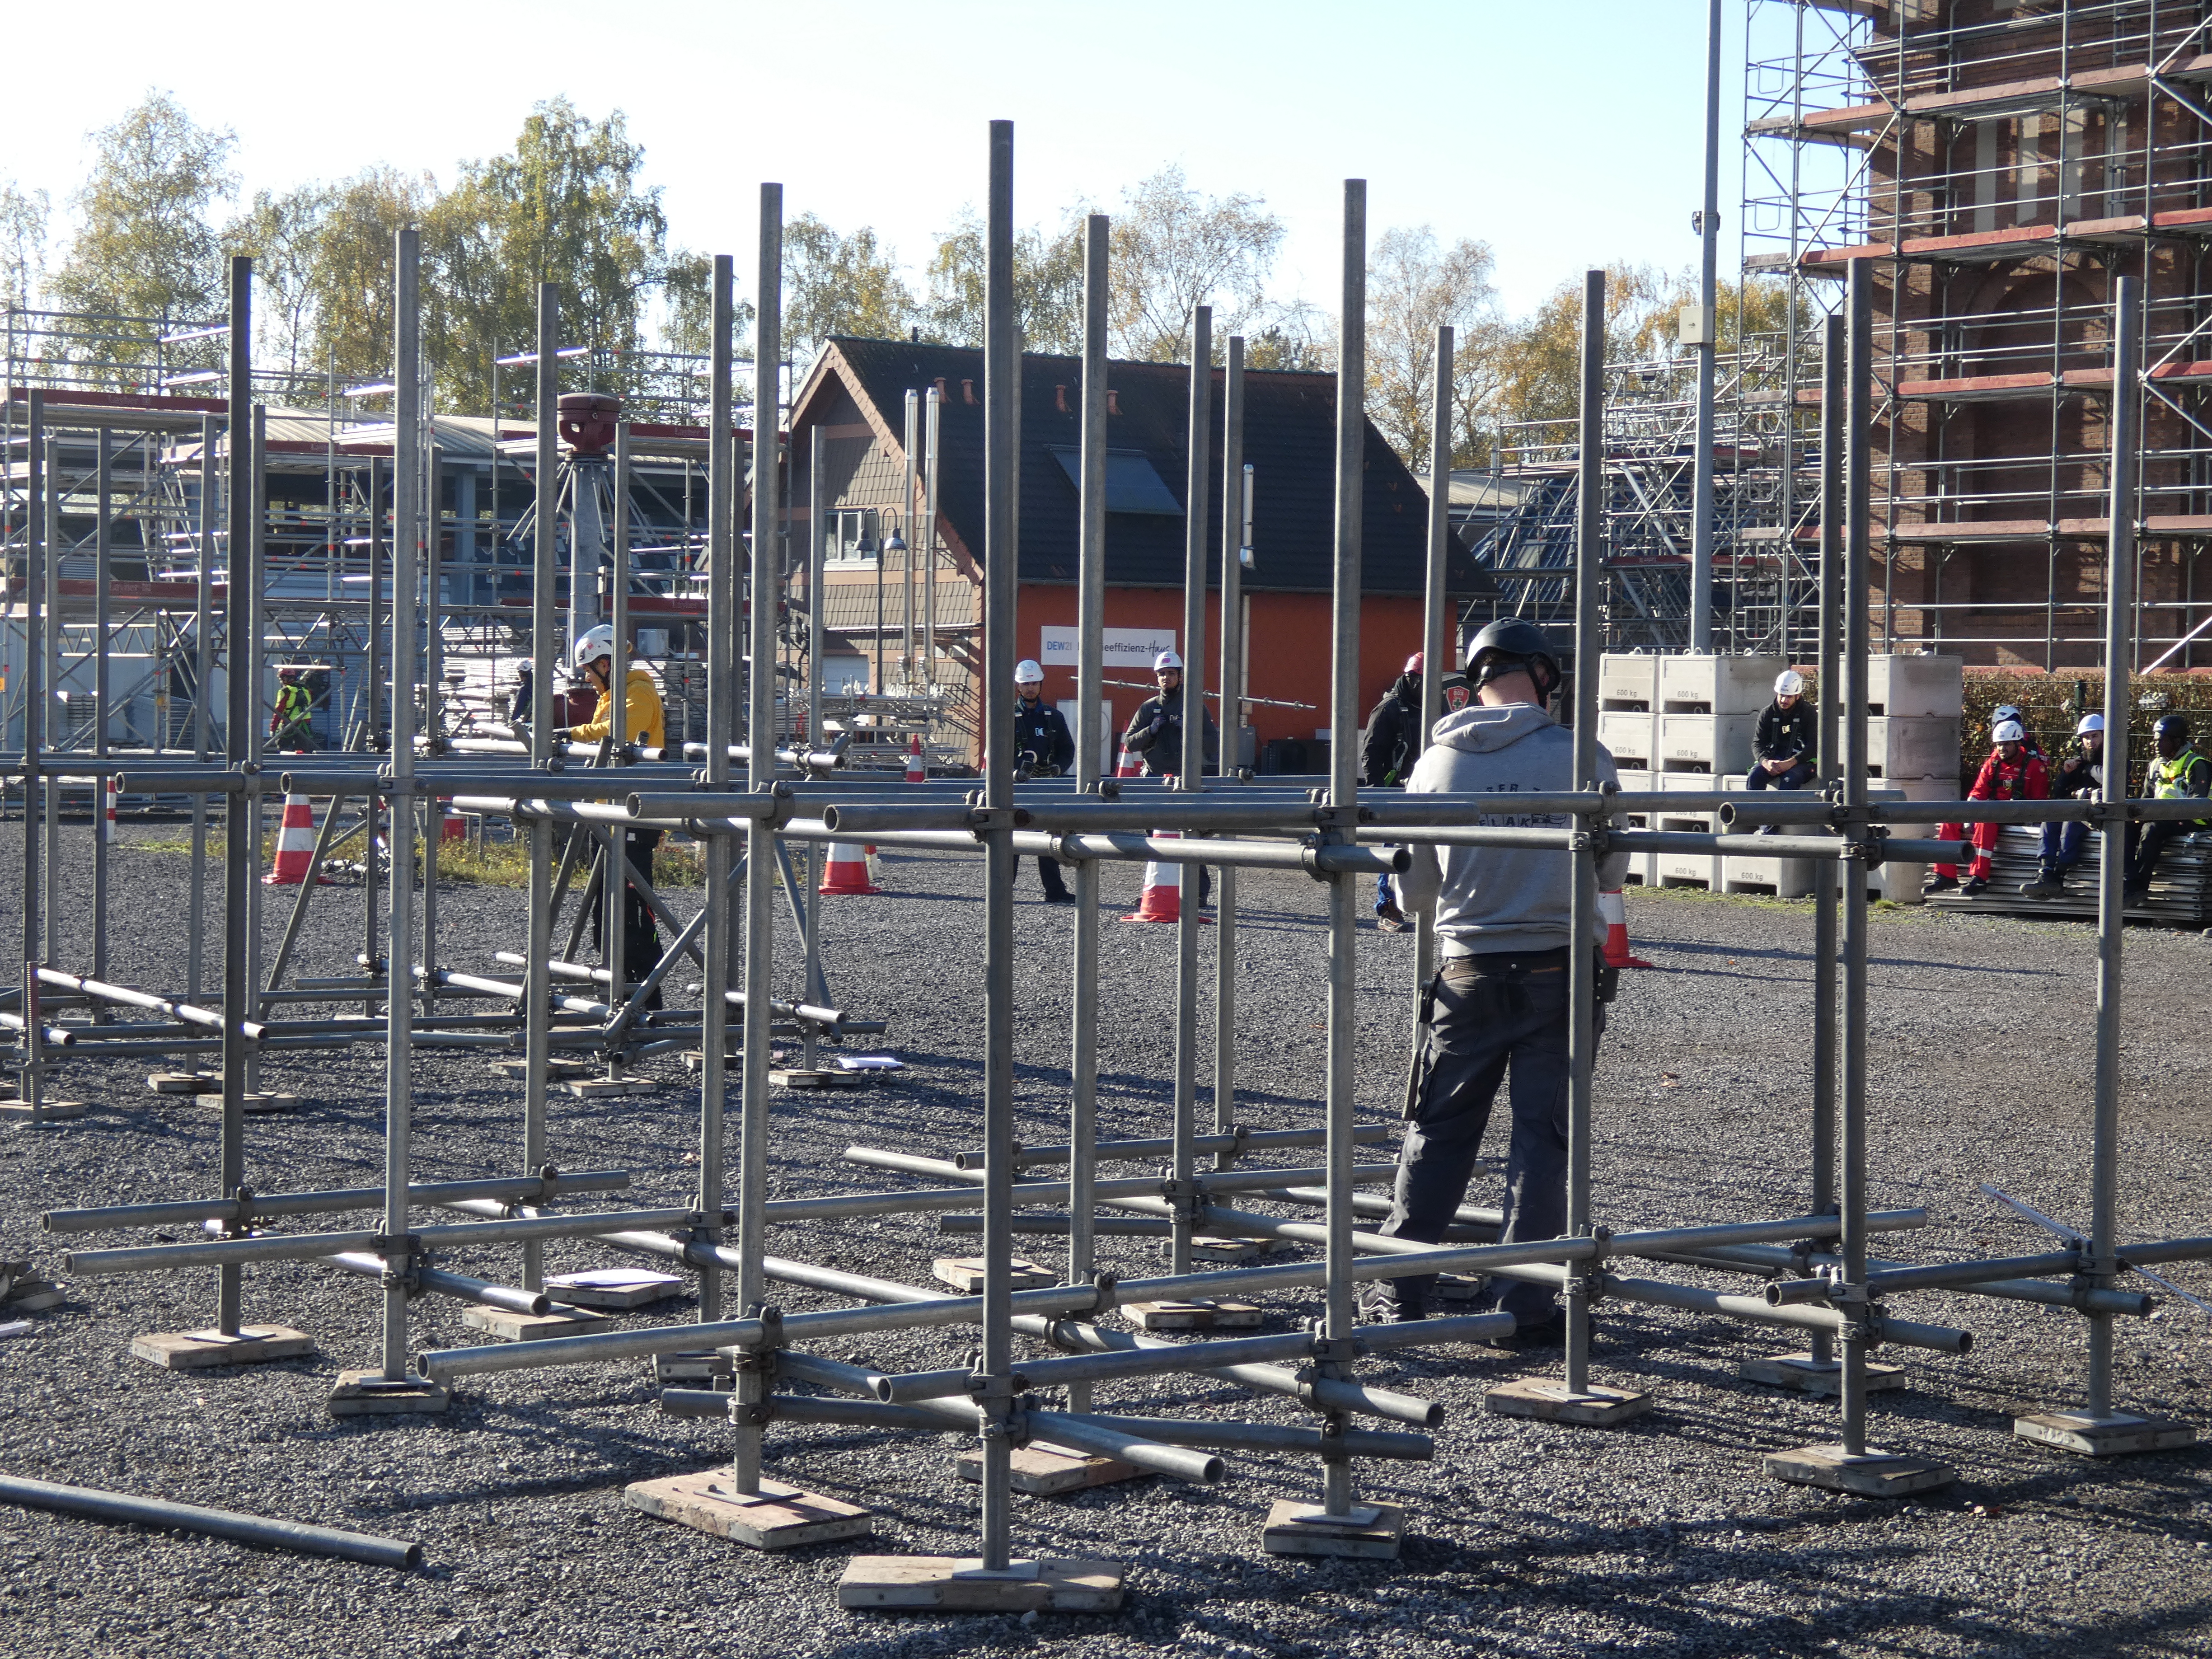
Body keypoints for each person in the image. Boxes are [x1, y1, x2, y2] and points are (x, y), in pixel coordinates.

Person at [1374, 618, 1629, 1338]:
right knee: (1542, 1140)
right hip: (1558, 970)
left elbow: (1412, 893)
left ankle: (1400, 1289)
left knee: (1440, 1128)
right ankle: (1525, 1301)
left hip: (1467, 973)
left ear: (1473, 676)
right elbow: (1611, 870)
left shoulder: (1437, 762)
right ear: (1546, 675)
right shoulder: (1585, 755)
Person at [554, 625, 668, 999]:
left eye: (589, 670)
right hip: (611, 814)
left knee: (633, 911)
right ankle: (618, 988)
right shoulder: (616, 694)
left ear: (605, 663)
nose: (588, 678)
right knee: (606, 913)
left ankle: (646, 996)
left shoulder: (638, 692)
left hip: (633, 814)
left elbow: (616, 733)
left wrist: (568, 735)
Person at [1122, 649, 1220, 904]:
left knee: (1190, 834)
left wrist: (1189, 731)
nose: (1166, 678)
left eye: (1171, 674)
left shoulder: (1193, 705)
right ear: (1157, 678)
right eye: (1162, 674)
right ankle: (1156, 889)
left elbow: (1213, 743)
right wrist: (1150, 731)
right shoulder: (1148, 708)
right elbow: (1130, 743)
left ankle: (1198, 892)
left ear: (1180, 676)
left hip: (1184, 780)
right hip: (1154, 780)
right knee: (1155, 836)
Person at [1928, 718, 2047, 897]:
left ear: (2017, 743)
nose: (2002, 749)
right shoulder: (1992, 764)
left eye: (2006, 744)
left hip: (2017, 815)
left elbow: (2040, 803)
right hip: (1990, 810)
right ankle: (1945, 875)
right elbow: (1978, 792)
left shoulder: (2035, 767)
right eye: (1999, 745)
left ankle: (1979, 878)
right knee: (1950, 819)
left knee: (1986, 823)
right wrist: (1968, 816)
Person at [1363, 653, 1427, 931]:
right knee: (1393, 849)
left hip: (1423, 790)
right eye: (1424, 682)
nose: (1429, 689)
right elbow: (1371, 754)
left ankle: (1426, 905)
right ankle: (1388, 909)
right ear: (1411, 678)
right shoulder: (1389, 708)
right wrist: (1379, 795)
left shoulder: (1428, 706)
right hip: (1394, 792)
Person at [2124, 713, 2211, 904]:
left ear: (2176, 740)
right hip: (2162, 819)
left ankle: (2140, 886)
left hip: (2195, 822)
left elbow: (2198, 806)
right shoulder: (2155, 766)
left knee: (2152, 829)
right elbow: (2146, 799)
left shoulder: (2197, 765)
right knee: (2124, 826)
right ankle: (2129, 881)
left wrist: (2159, 815)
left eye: (2160, 740)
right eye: (2154, 740)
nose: (2155, 745)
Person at [1010, 658, 1075, 904]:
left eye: (1034, 683)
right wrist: (1018, 770)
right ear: (1018, 686)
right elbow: (996, 751)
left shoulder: (1054, 717)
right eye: (1026, 684)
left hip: (1047, 785)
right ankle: (1004, 888)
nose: (1030, 688)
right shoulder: (1008, 717)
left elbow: (1068, 749)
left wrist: (1058, 768)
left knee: (1049, 838)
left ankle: (1055, 890)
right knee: (1011, 837)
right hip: (1017, 787)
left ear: (1041, 684)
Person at [2022, 713, 2103, 899]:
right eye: (2086, 738)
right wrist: (2066, 774)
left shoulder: (2116, 760)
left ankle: (2057, 876)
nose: (2090, 742)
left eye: (2095, 736)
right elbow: (2059, 793)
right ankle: (2046, 871)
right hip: (2078, 811)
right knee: (2051, 817)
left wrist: (2087, 768)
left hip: (2099, 814)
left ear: (2105, 736)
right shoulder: (2080, 762)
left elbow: (2110, 778)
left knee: (2072, 823)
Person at [1747, 670, 1816, 794]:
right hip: (1774, 760)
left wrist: (1791, 763)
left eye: (1789, 696)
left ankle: (1783, 814)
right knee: (1754, 777)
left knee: (1790, 780)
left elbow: (1814, 746)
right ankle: (1755, 813)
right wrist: (1765, 762)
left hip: (1802, 762)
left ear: (1798, 696)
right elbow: (1757, 743)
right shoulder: (1767, 714)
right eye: (1781, 695)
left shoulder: (1808, 713)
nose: (1784, 700)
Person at [270, 665, 316, 752]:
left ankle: (286, 765)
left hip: (289, 723)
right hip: (305, 724)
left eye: (281, 679)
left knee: (284, 749)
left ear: (285, 678)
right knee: (303, 751)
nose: (281, 681)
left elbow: (279, 711)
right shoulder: (306, 690)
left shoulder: (285, 691)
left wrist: (273, 727)